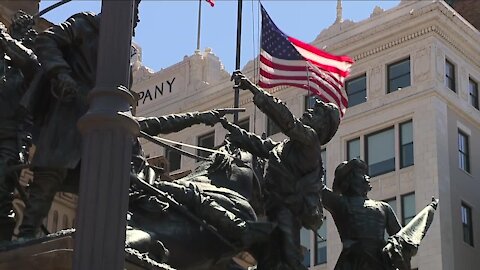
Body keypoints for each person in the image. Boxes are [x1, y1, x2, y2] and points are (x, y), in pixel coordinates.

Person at [18, 1, 142, 238]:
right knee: (50, 176)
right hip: (69, 112)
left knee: (113, 184)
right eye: (133, 15)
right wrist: (61, 74)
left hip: (106, 126)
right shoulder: (85, 24)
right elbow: (46, 40)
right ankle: (25, 236)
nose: (135, 22)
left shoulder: (121, 52)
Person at [214, 71, 341, 270]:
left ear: (323, 126)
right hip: (267, 209)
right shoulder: (285, 147)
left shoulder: (311, 141)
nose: (309, 111)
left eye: (316, 112)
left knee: (287, 261)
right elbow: (260, 145)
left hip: (286, 212)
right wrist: (231, 129)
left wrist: (252, 88)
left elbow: (286, 120)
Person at [322, 159, 402, 270]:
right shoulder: (341, 203)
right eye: (361, 174)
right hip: (353, 262)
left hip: (380, 262)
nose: (366, 177)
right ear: (349, 180)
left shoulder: (384, 207)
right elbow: (316, 188)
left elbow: (400, 237)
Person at [0, 11, 38, 242]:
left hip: (11, 137)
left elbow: (32, 63)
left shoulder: (30, 66)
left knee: (1, 189)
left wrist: (3, 38)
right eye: (19, 32)